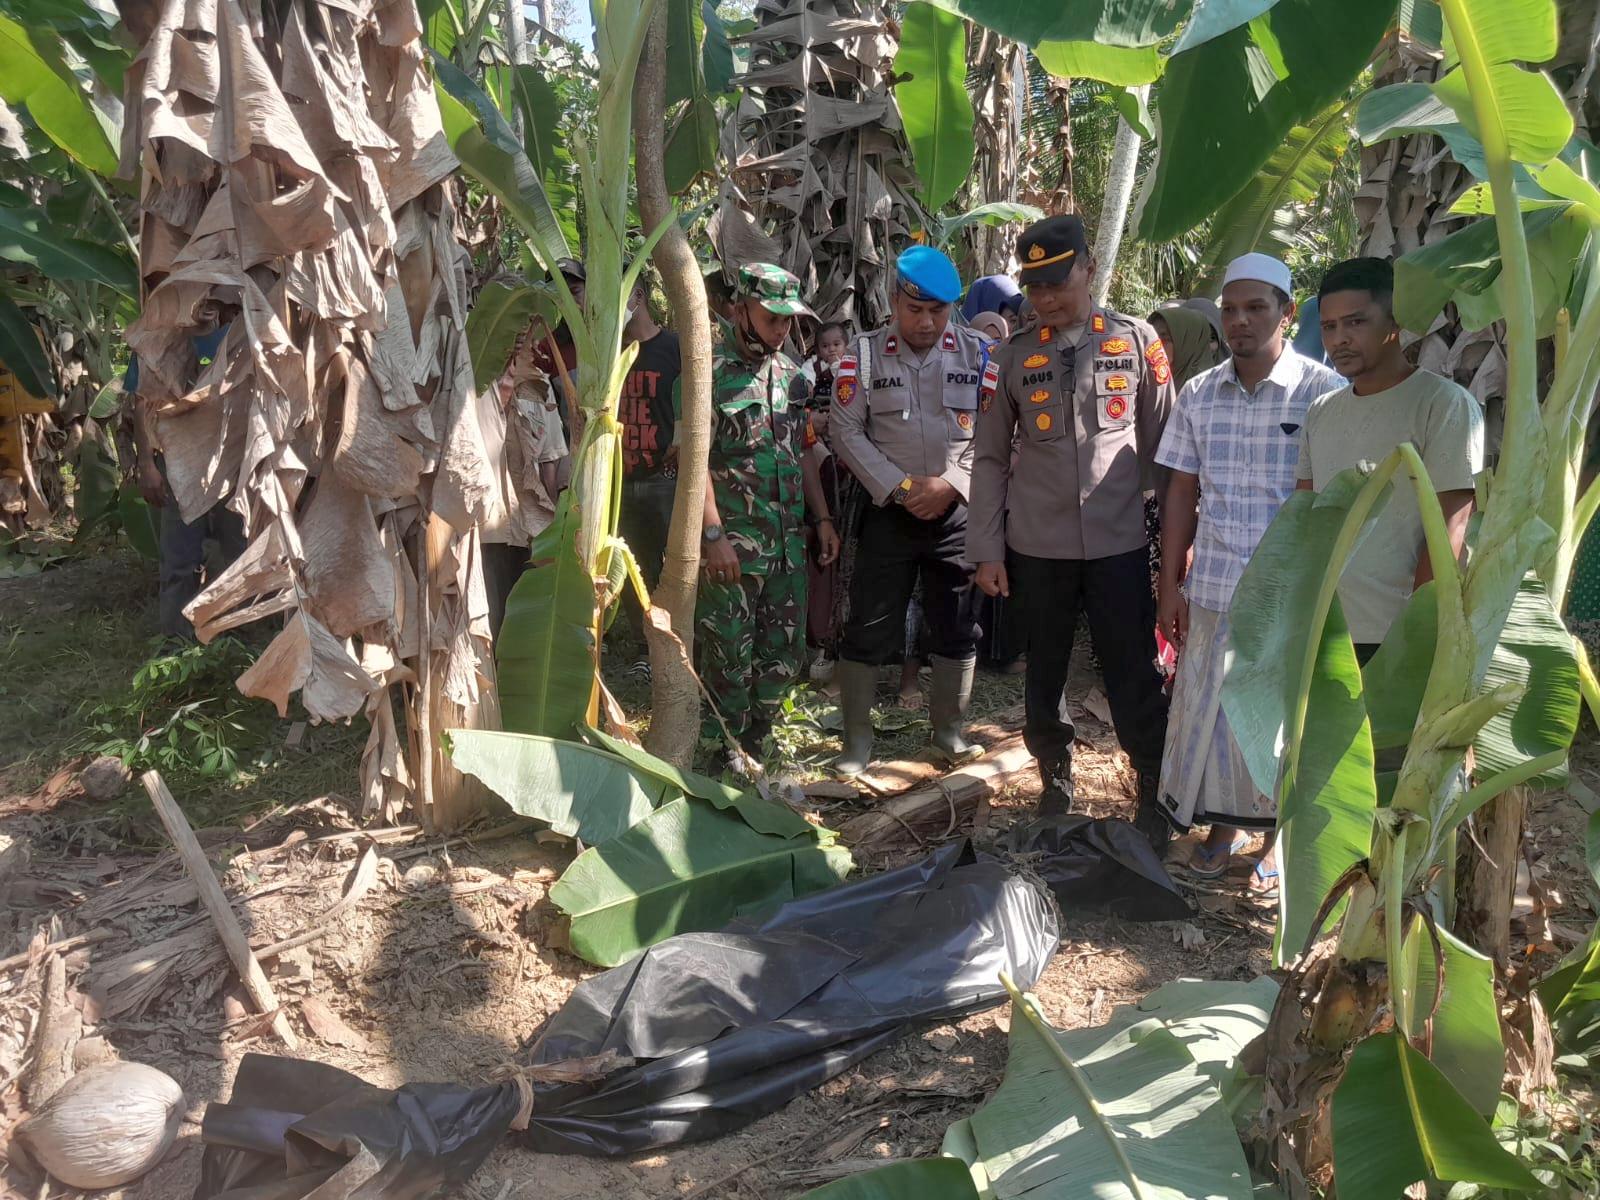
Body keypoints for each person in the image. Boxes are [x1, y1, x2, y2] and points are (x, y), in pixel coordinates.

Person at [968, 215, 1176, 822]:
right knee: (1045, 668)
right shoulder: (1011, 357)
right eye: (1035, 287)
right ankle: (1055, 778)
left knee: (1132, 665)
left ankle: (1152, 785)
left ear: (1088, 267)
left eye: (1058, 282)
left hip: (1120, 543)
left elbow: (1166, 447)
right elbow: (986, 457)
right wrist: (987, 548)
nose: (1046, 298)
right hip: (1038, 544)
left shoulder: (1137, 341)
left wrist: (1176, 546)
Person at [1154, 252, 1345, 882]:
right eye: (1230, 309)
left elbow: (1337, 500)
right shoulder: (1198, 394)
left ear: (1287, 312)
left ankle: (1279, 843)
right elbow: (1181, 491)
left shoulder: (1324, 394)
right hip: (1212, 584)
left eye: (1256, 307)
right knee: (1218, 715)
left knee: (1285, 719)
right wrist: (1169, 586)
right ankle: (1226, 830)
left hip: (1292, 594)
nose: (1240, 321)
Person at [830, 246, 992, 777]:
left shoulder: (980, 354)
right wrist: (901, 487)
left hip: (957, 511)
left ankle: (949, 732)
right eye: (915, 309)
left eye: (938, 311)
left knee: (957, 622)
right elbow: (845, 429)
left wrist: (949, 484)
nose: (925, 322)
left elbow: (996, 432)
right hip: (889, 510)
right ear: (894, 299)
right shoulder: (864, 354)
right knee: (869, 624)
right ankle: (856, 743)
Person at [1299, 257, 1483, 658]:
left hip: (1395, 635)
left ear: (1394, 322)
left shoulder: (1443, 404)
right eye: (1329, 327)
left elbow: (1449, 529)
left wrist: (1412, 637)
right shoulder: (1321, 411)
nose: (1339, 339)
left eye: (1356, 322)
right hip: (1320, 629)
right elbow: (1304, 518)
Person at [698, 263, 839, 766]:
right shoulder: (707, 373)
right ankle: (724, 745)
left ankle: (760, 734)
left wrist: (821, 519)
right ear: (740, 310)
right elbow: (693, 465)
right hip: (733, 544)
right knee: (728, 651)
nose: (782, 329)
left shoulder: (791, 374)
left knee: (783, 650)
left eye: (788, 320)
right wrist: (712, 535)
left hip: (786, 544)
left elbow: (801, 451)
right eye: (772, 318)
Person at [128, 321, 246, 641]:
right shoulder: (157, 337)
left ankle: (238, 639)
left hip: (229, 458)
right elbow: (141, 405)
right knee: (181, 557)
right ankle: (176, 644)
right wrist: (146, 463)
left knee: (237, 551)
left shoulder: (240, 329)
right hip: (176, 458)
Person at [479, 323, 569, 640]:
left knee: (525, 620)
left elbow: (550, 460)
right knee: (489, 615)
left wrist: (555, 529)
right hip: (483, 526)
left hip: (527, 524)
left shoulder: (538, 387)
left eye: (526, 332)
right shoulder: (472, 384)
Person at [615, 275, 682, 664]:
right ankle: (645, 645)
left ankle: (675, 640)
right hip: (621, 481)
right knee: (631, 567)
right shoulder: (610, 353)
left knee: (669, 565)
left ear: (638, 296)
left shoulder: (672, 348)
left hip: (663, 478)